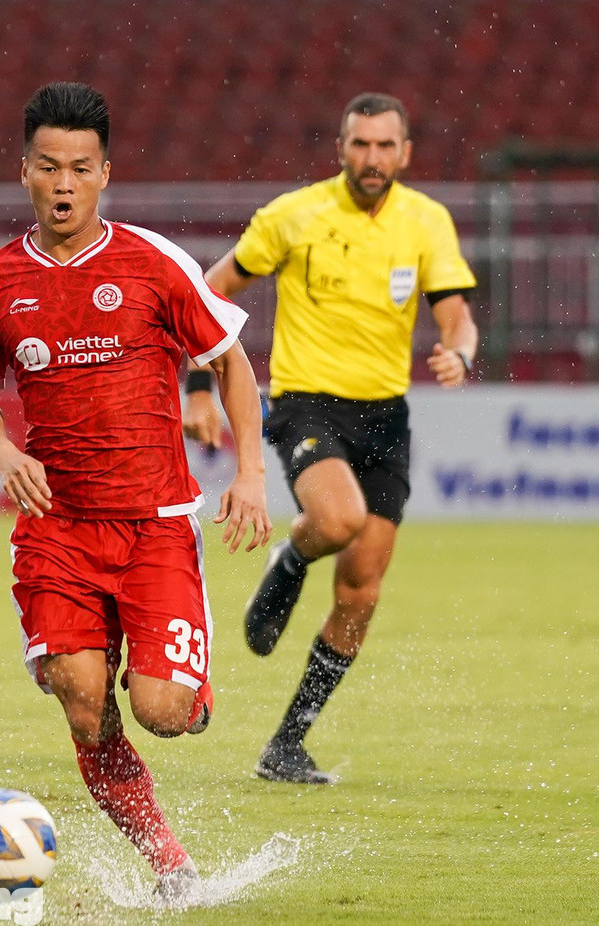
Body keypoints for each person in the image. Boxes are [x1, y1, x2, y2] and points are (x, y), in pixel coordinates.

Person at [0, 82, 271, 905]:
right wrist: (2, 450)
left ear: (105, 175)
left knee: (160, 712)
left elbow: (230, 359)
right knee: (84, 703)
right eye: (49, 166)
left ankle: (182, 689)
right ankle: (169, 862)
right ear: (24, 171)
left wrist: (250, 473)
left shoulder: (153, 262)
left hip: (155, 524)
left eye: (81, 168)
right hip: (56, 528)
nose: (64, 183)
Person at [184, 92, 479, 785]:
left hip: (386, 415)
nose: (371, 159)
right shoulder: (295, 215)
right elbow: (211, 290)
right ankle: (290, 559)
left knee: (360, 592)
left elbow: (457, 317)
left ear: (405, 153)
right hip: (306, 402)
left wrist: (460, 353)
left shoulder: (426, 222)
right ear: (341, 149)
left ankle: (286, 745)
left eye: (384, 147)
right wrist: (198, 387)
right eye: (360, 145)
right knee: (339, 519)